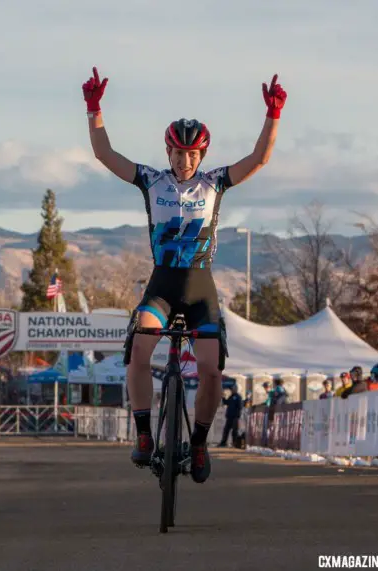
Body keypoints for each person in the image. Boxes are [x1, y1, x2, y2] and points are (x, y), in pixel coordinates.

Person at [82, 66, 287, 483]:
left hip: (199, 289)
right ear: (168, 153)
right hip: (162, 286)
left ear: (202, 156)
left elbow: (260, 158)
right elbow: (105, 155)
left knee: (211, 369)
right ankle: (143, 434)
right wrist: (94, 108)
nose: (184, 160)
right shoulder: (151, 181)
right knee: (140, 348)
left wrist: (273, 115)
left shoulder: (215, 184)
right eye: (178, 153)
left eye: (192, 154)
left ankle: (197, 443)